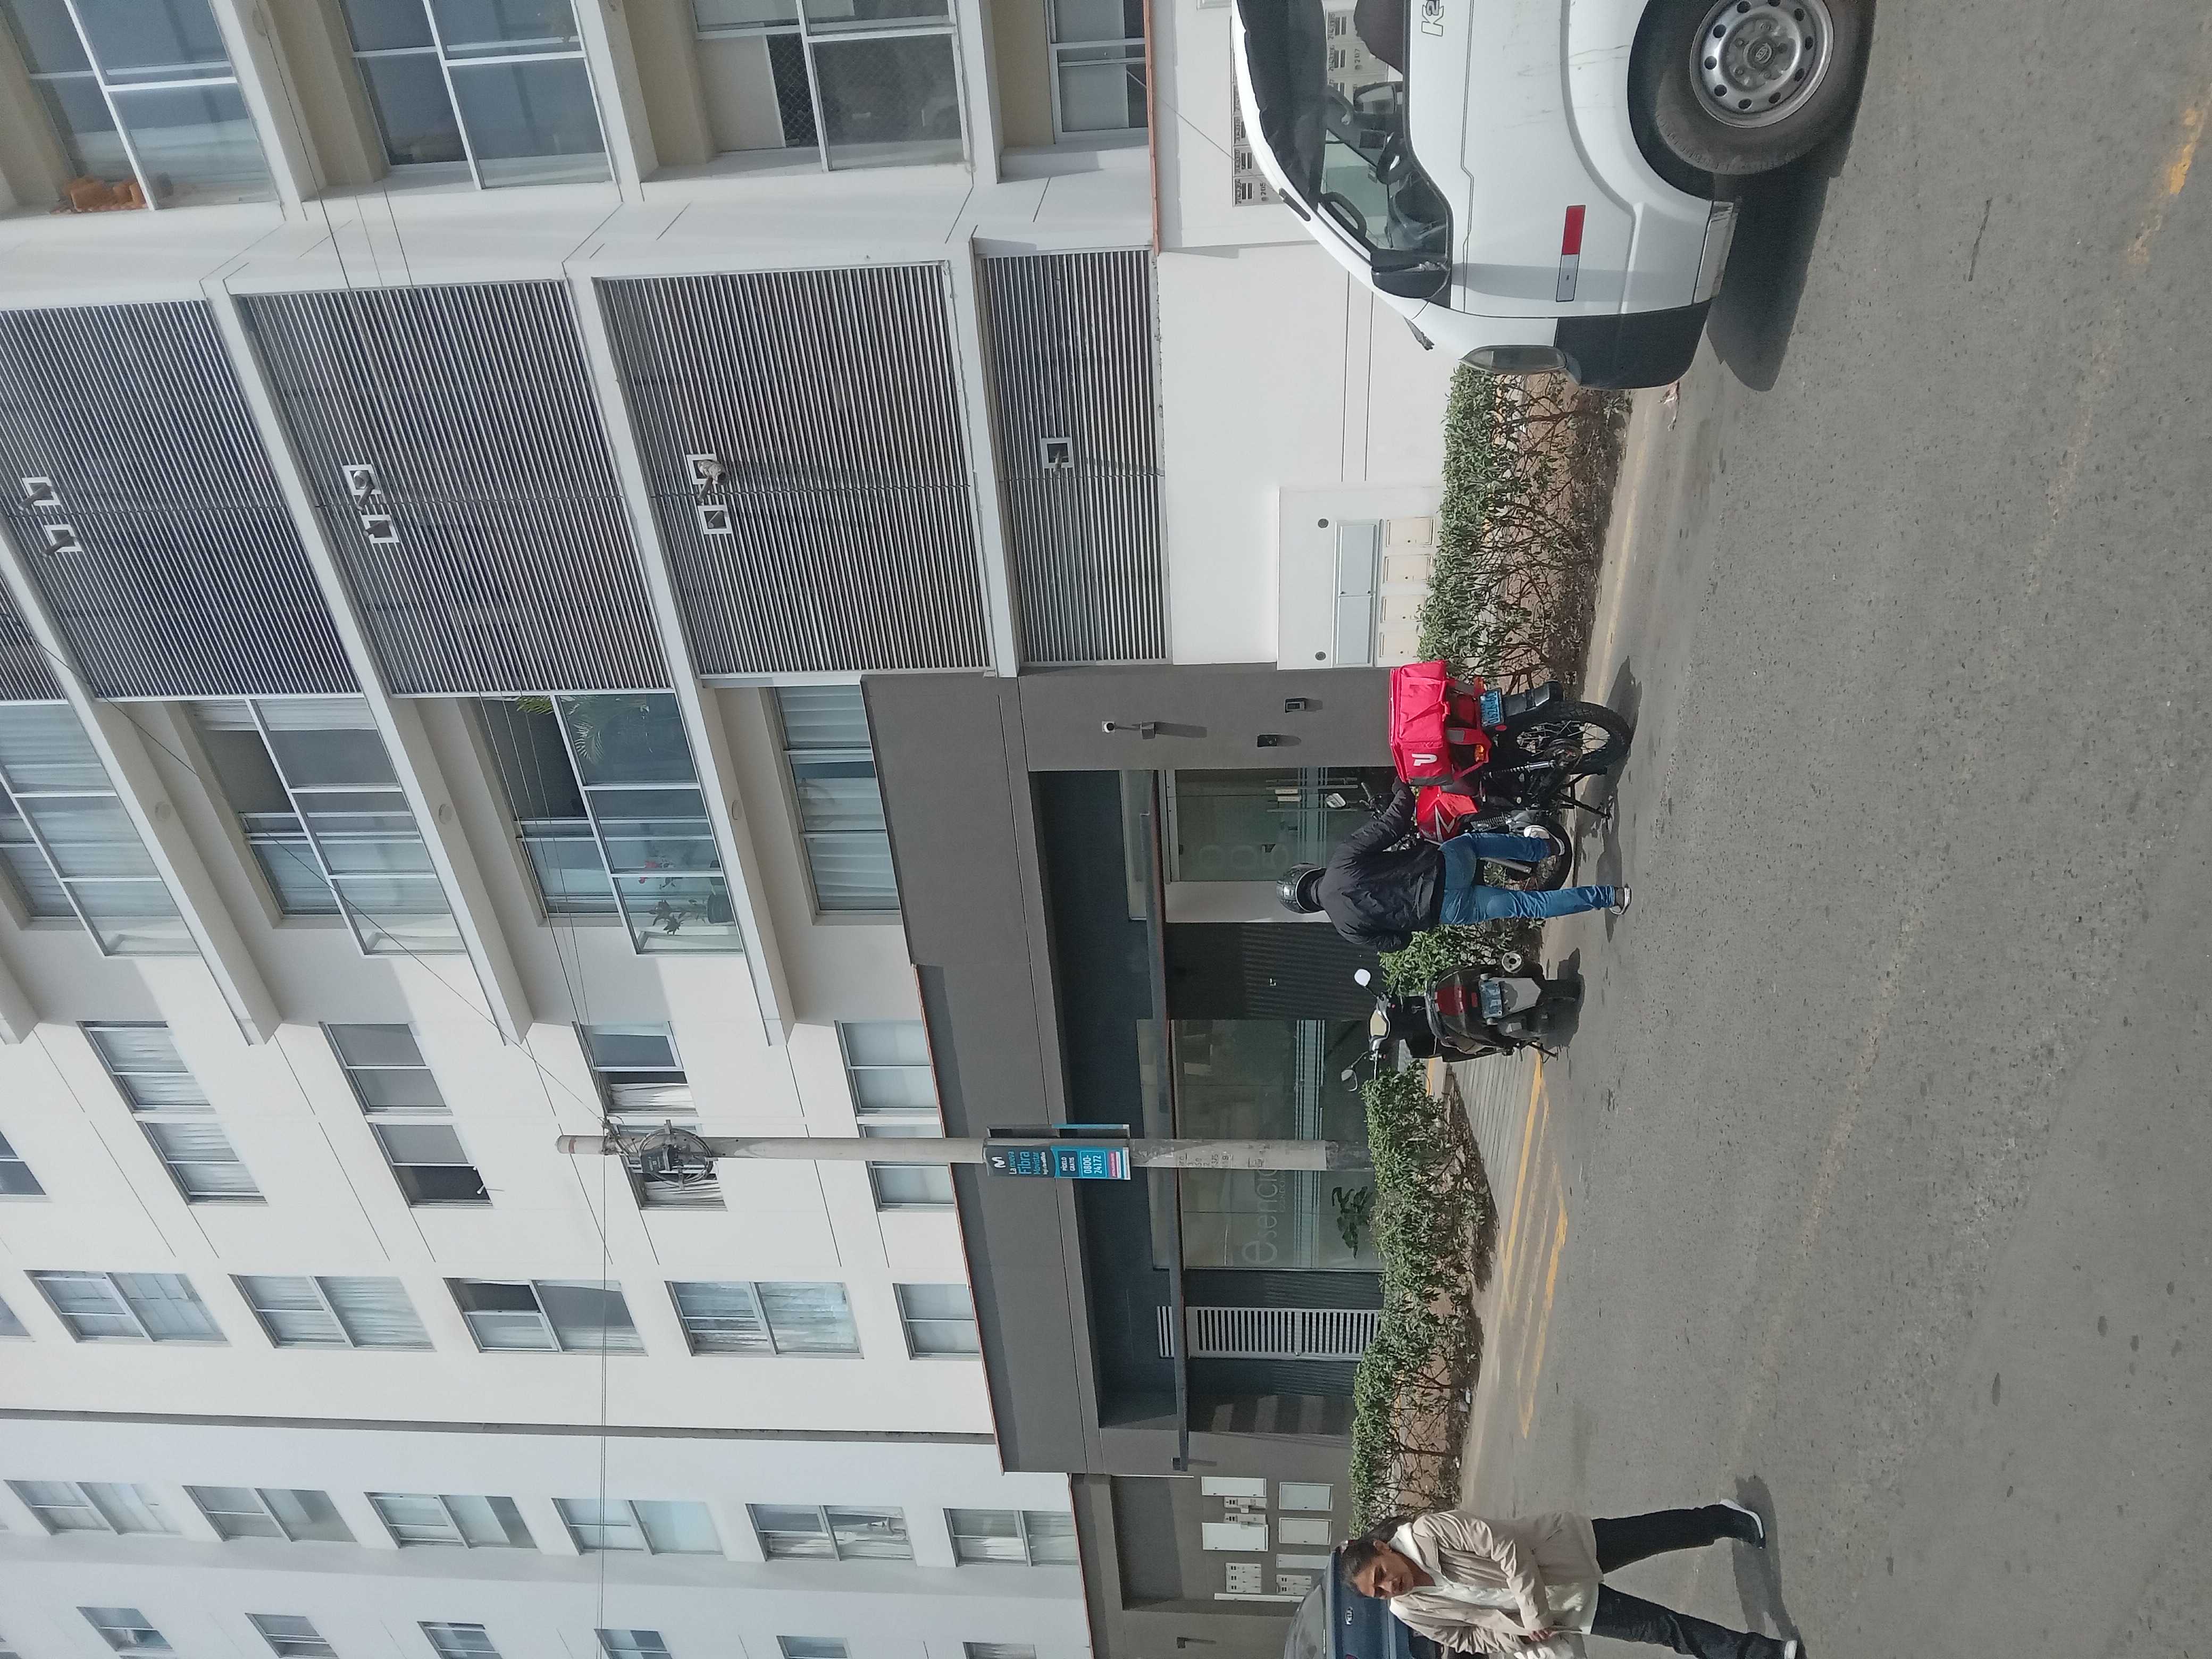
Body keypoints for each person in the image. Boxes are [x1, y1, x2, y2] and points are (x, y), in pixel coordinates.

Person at [1343, 1503, 1798, 1659]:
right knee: (1664, 1629)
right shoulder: (1410, 1609)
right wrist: (1520, 1633)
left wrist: (1531, 1610)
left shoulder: (1429, 1531)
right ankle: (1762, 1653)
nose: (1388, 1589)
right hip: (1566, 1610)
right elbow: (1465, 1638)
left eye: (1381, 1576)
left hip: (1563, 1550)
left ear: (1384, 1549)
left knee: (1656, 1534)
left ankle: (1722, 1519)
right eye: (1377, 1593)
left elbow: (1505, 1546)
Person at [1277, 781, 1626, 951]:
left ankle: (1612, 896)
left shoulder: (1347, 929)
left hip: (1447, 909)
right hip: (1445, 867)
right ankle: (1545, 846)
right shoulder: (1343, 860)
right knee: (1473, 843)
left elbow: (1398, 943)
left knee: (1529, 905)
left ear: (1310, 908)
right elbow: (1393, 825)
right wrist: (1402, 786)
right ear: (1310, 872)